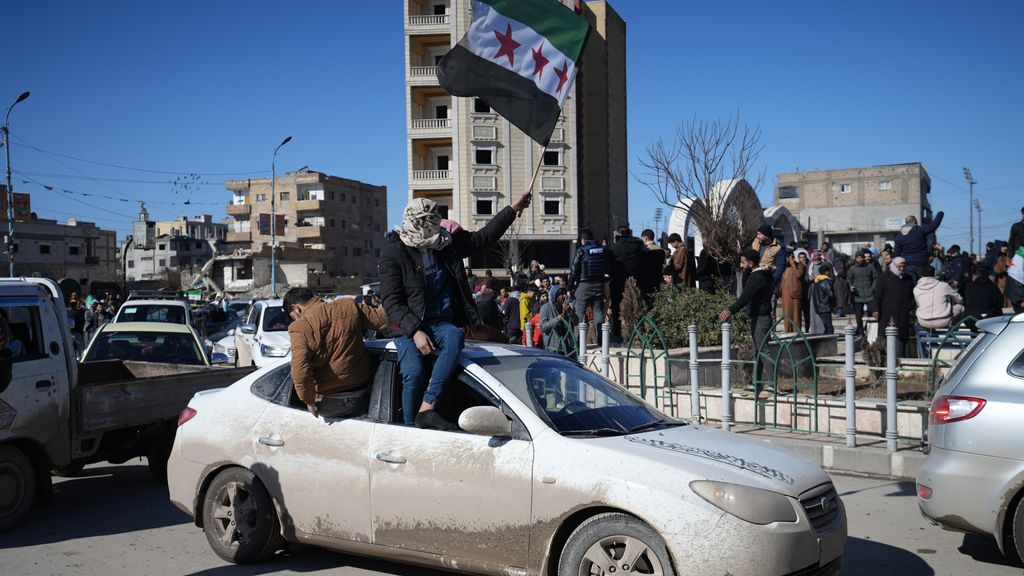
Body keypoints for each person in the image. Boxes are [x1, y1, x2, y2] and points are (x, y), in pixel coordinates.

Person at [380, 191, 531, 429]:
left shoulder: (446, 244)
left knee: (454, 336)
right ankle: (410, 429)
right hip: (410, 325)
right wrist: (415, 332)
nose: (432, 230)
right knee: (415, 372)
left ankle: (426, 409)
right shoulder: (394, 252)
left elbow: (484, 238)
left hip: (441, 322)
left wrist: (513, 209)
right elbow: (391, 300)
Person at [284, 287, 388, 418]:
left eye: (294, 317)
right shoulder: (348, 305)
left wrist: (308, 400)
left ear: (296, 308)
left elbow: (300, 369)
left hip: (330, 401)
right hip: (363, 395)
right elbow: (382, 319)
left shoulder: (299, 327)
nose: (296, 320)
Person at [720, 249, 774, 378]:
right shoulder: (756, 275)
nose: (740, 266)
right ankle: (757, 382)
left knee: (764, 351)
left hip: (761, 318)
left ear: (750, 263)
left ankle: (773, 383)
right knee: (757, 352)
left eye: (743, 263)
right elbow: (746, 288)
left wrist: (730, 310)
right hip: (757, 317)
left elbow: (745, 296)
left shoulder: (758, 277)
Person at [871, 256, 916, 357]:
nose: (902, 269)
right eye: (899, 267)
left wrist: (910, 306)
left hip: (903, 313)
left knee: (900, 339)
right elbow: (877, 295)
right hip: (887, 313)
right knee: (885, 338)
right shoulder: (884, 278)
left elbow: (911, 296)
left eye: (904, 267)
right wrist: (875, 309)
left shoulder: (908, 279)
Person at [569, 228, 611, 331]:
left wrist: (569, 286)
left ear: (583, 240)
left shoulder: (581, 250)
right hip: (599, 284)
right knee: (598, 311)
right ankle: (601, 340)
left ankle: (577, 341)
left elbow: (574, 269)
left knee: (579, 312)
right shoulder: (601, 249)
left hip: (584, 284)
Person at [610, 226, 645, 337]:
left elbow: (610, 263)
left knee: (616, 304)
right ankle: (640, 329)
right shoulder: (638, 245)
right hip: (637, 278)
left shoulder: (615, 247)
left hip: (618, 278)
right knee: (638, 304)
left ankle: (616, 331)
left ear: (618, 234)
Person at [894, 212, 944, 280]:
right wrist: (940, 214)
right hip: (921, 265)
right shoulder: (920, 230)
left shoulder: (899, 237)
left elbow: (896, 254)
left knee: (909, 286)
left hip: (906, 266)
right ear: (914, 222)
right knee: (923, 286)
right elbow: (934, 225)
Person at [913, 266, 964, 330]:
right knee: (961, 307)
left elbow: (918, 304)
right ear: (934, 274)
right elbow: (960, 299)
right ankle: (952, 331)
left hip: (924, 322)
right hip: (944, 321)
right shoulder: (943, 285)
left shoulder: (916, 289)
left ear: (921, 275)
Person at [847, 250, 879, 337]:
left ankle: (873, 332)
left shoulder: (870, 267)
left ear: (864, 258)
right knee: (858, 316)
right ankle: (860, 332)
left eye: (861, 258)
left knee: (874, 313)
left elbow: (876, 278)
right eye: (858, 258)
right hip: (858, 296)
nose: (860, 259)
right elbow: (849, 280)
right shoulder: (852, 269)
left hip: (870, 295)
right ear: (855, 259)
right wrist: (850, 286)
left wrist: (873, 288)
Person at [539, 285, 574, 355]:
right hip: (553, 348)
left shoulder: (567, 306)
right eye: (561, 294)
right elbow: (543, 327)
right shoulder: (545, 308)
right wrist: (557, 319)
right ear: (555, 295)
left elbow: (576, 322)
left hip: (567, 346)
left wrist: (570, 312)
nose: (564, 296)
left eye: (565, 294)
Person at [779, 250, 804, 331]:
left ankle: (796, 331)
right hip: (785, 295)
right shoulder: (785, 268)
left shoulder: (799, 265)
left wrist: (793, 264)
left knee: (796, 314)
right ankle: (788, 331)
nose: (788, 260)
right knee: (787, 314)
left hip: (794, 294)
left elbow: (799, 274)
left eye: (791, 257)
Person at [810, 262, 836, 335]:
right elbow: (830, 294)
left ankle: (827, 333)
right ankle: (829, 337)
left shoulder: (816, 281)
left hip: (818, 305)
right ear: (826, 272)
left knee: (825, 323)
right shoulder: (826, 281)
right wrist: (833, 303)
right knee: (829, 325)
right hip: (825, 305)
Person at [639, 229, 665, 297]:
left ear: (646, 238)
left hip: (646, 280)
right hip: (658, 279)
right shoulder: (661, 250)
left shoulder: (643, 250)